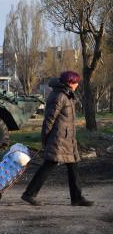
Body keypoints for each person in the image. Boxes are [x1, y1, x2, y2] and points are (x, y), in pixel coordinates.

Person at [21, 71, 94, 206]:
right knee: (49, 164)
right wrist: (45, 138)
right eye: (76, 82)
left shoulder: (67, 95)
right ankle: (29, 194)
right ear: (69, 83)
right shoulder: (59, 96)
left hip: (67, 139)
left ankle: (77, 198)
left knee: (73, 166)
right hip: (58, 139)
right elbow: (49, 119)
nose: (78, 84)